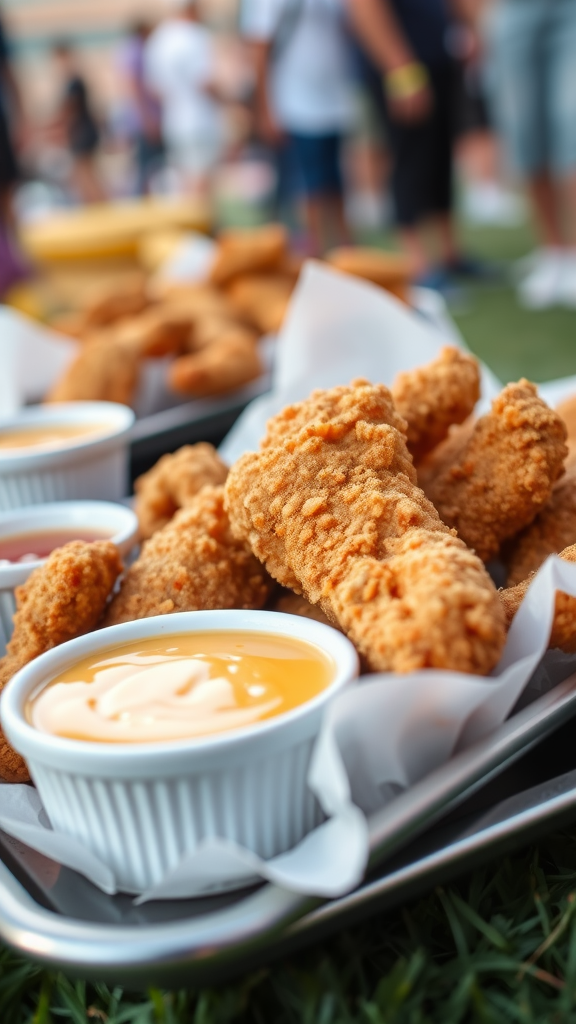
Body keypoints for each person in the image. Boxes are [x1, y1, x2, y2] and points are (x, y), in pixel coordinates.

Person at [347, 0, 482, 288]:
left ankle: (450, 254)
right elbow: (364, 8)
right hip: (403, 65)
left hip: (438, 57)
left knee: (440, 157)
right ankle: (417, 265)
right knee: (410, 158)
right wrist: (400, 69)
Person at [243, 0, 357, 256]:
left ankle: (344, 248)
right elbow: (259, 49)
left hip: (334, 102)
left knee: (335, 180)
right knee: (308, 184)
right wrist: (265, 109)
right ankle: (315, 250)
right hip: (296, 104)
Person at [483, 0, 576, 309]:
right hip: (513, 9)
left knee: (570, 119)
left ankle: (573, 252)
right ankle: (552, 251)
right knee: (522, 126)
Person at [144, 0, 226, 198]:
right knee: (202, 183)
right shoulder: (195, 35)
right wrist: (227, 99)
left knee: (183, 182)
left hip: (173, 121)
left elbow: (155, 89)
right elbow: (205, 83)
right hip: (200, 121)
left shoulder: (159, 38)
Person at [52, 41, 106, 204]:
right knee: (85, 175)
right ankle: (96, 207)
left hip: (81, 131)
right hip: (84, 129)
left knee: (85, 174)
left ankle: (97, 208)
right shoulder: (75, 80)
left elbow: (70, 111)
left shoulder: (73, 81)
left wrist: (61, 130)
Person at [118, 21, 163, 195]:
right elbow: (135, 88)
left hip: (139, 119)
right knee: (147, 168)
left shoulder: (128, 50)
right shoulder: (136, 51)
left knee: (145, 167)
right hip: (144, 120)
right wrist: (147, 119)